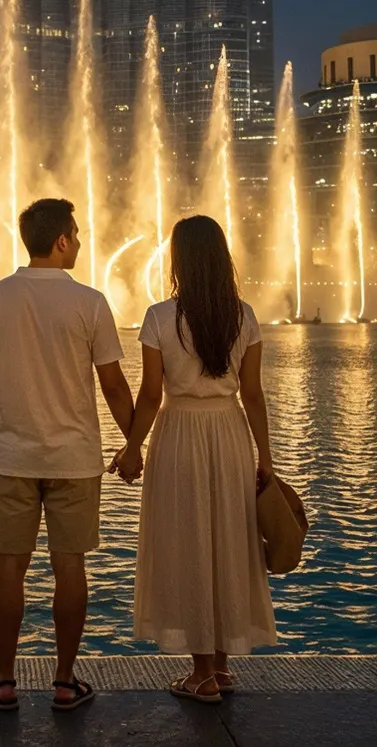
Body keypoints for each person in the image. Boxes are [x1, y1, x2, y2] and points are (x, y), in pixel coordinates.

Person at [0, 198, 133, 713]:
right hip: (74, 459)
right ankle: (64, 681)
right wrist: (134, 441)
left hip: (11, 456)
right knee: (70, 567)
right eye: (76, 235)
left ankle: (6, 681)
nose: (79, 242)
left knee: (8, 567)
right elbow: (113, 384)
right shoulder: (91, 303)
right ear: (61, 241)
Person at [117, 214, 276, 702]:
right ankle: (222, 666)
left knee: (190, 542)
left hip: (180, 432)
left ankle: (201, 673)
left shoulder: (160, 317)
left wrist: (132, 446)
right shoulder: (243, 316)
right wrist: (265, 458)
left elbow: (148, 395)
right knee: (227, 538)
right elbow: (253, 394)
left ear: (179, 261)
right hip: (229, 433)